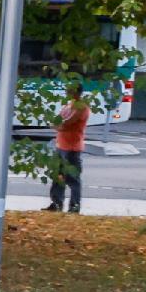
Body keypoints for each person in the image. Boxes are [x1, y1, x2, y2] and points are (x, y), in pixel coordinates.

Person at [50, 82, 91, 213]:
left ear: (76, 91)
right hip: (61, 145)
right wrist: (57, 124)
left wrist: (58, 125)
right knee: (58, 176)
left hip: (72, 147)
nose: (66, 91)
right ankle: (56, 203)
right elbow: (58, 120)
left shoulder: (82, 108)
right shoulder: (69, 105)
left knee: (73, 178)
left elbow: (66, 124)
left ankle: (74, 206)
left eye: (69, 90)